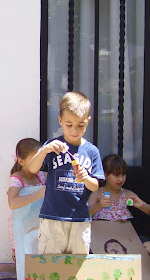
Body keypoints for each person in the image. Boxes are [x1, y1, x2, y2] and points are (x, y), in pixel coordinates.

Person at [29, 91, 104, 254]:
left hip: (79, 219)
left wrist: (86, 178)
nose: (74, 130)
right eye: (69, 125)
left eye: (81, 125)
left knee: (77, 269)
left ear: (88, 121)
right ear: (60, 121)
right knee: (50, 268)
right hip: (52, 216)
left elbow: (95, 187)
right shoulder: (53, 145)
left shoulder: (92, 151)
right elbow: (33, 168)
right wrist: (44, 150)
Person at [88, 154, 150, 256]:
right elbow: (85, 213)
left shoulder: (127, 194)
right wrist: (98, 205)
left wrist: (142, 206)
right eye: (116, 175)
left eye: (123, 175)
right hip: (102, 238)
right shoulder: (97, 194)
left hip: (124, 238)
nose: (120, 179)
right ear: (105, 175)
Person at [7, 138, 46, 262]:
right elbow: (12, 203)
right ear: (21, 161)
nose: (39, 162)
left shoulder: (42, 175)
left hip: (39, 225)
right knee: (23, 260)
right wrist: (39, 194)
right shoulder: (17, 178)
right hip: (22, 226)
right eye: (35, 159)